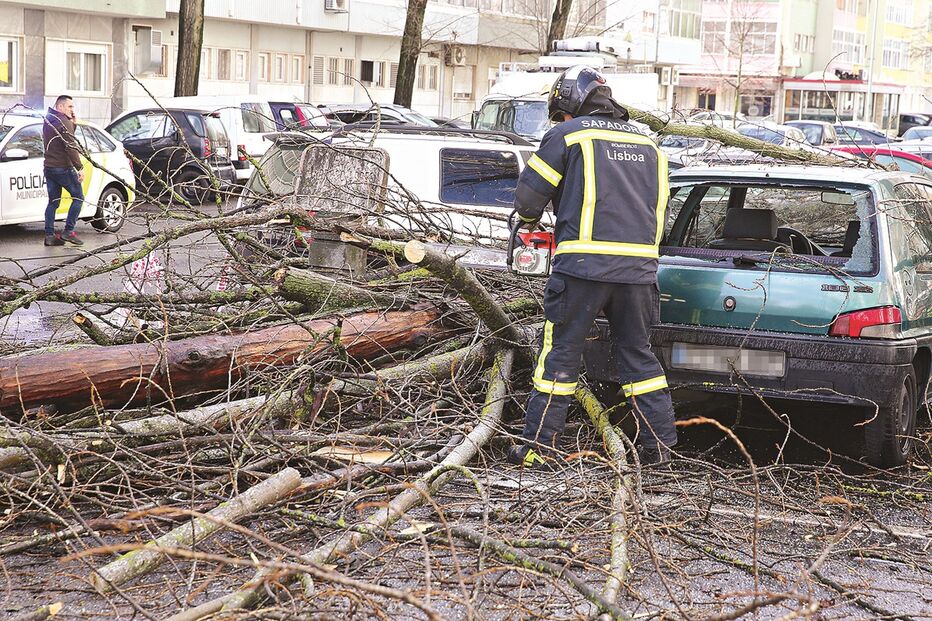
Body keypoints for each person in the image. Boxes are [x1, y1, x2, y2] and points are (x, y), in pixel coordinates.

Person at [506, 65, 676, 468]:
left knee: (560, 357)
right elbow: (661, 212)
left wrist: (531, 223)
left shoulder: (568, 134)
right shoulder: (650, 145)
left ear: (567, 105)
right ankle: (659, 452)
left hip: (581, 269)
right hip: (639, 273)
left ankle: (539, 450)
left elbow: (528, 203)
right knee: (639, 359)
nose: (562, 120)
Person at [43, 94, 85, 246]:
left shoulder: (49, 119)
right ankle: (68, 231)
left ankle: (49, 235)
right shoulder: (63, 121)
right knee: (78, 197)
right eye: (70, 106)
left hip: (49, 167)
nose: (72, 110)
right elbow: (70, 146)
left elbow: (60, 138)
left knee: (53, 202)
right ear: (60, 107)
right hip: (63, 168)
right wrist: (80, 167)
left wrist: (73, 124)